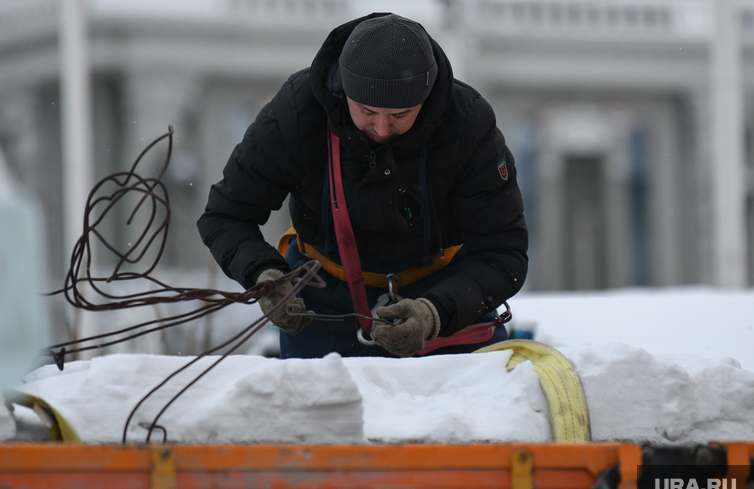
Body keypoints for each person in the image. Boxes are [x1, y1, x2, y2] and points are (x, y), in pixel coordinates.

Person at [198, 13, 528, 359]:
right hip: (321, 301)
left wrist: (435, 313)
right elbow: (224, 215)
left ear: (427, 97)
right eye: (368, 111)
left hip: (445, 300)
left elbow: (503, 253)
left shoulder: (467, 124)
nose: (383, 129)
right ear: (343, 90)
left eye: (401, 115)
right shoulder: (298, 112)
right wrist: (265, 275)